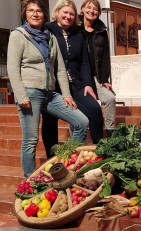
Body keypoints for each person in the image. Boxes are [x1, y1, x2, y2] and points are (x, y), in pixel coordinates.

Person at [7, 0, 89, 177]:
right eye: (31, 11)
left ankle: (66, 164)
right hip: (30, 92)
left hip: (50, 93)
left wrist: (66, 94)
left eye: (38, 11)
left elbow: (59, 68)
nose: (35, 14)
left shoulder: (49, 36)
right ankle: (29, 180)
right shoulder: (18, 35)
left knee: (81, 122)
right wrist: (21, 96)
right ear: (25, 14)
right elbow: (12, 68)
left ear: (44, 14)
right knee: (31, 139)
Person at [42, 0, 104, 158]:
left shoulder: (77, 33)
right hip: (54, 85)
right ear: (57, 12)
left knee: (95, 109)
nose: (68, 16)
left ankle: (99, 149)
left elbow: (84, 61)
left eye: (71, 14)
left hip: (75, 83)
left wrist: (88, 85)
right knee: (50, 120)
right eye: (65, 12)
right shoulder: (48, 28)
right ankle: (52, 158)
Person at [79, 0, 116, 137]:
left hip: (97, 76)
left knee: (110, 98)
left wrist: (105, 78)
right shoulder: (75, 28)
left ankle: (111, 132)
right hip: (80, 76)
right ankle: (78, 138)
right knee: (82, 104)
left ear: (99, 13)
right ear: (82, 9)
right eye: (88, 7)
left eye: (95, 9)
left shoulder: (101, 30)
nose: (92, 11)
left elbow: (106, 55)